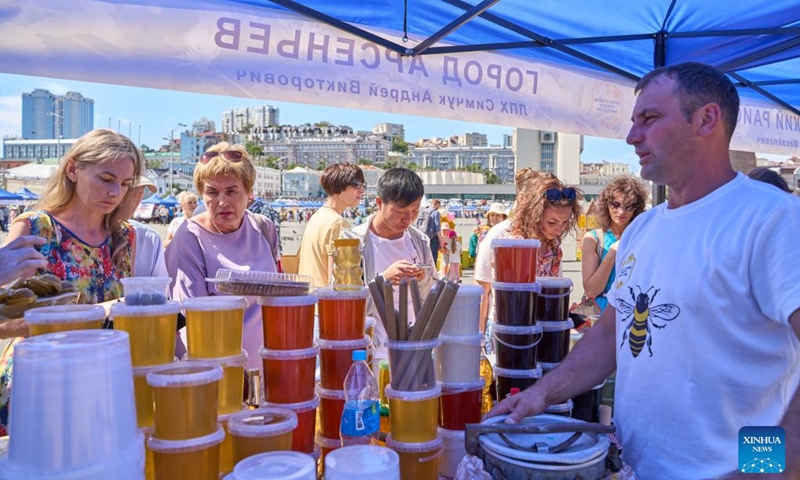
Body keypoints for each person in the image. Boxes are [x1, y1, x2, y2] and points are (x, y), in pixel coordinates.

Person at [489, 62, 800, 479]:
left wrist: (768, 471)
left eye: (649, 119)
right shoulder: (643, 229)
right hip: (635, 467)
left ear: (706, 119)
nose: (632, 136)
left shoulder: (772, 219)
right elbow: (610, 337)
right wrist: (541, 394)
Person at [165, 142, 279, 368]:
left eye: (231, 191)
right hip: (218, 371)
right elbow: (193, 318)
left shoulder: (264, 228)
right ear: (201, 194)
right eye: (212, 192)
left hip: (267, 367)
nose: (222, 202)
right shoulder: (189, 237)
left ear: (249, 193)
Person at [7, 129, 142, 303]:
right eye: (106, 179)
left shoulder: (124, 234)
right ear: (72, 170)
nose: (115, 192)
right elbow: (8, 318)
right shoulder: (35, 228)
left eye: (125, 184)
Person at [474, 170, 582, 340]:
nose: (559, 229)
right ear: (533, 213)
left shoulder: (553, 243)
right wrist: (477, 340)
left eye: (564, 222)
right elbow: (481, 291)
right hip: (505, 330)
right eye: (552, 222)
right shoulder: (501, 234)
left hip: (542, 328)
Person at [348, 168, 437, 347]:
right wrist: (382, 282)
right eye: (400, 211)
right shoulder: (354, 243)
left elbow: (433, 298)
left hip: (415, 347)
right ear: (379, 203)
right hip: (373, 353)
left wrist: (422, 279)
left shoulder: (419, 241)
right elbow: (344, 308)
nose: (408, 218)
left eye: (415, 210)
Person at [581, 176, 648, 311]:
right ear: (606, 204)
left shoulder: (643, 239)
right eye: (615, 205)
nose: (621, 212)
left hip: (632, 313)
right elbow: (591, 292)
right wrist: (612, 254)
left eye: (629, 206)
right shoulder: (594, 239)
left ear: (637, 208)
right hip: (599, 315)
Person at [297, 163, 365, 288]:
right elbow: (337, 279)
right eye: (357, 184)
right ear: (339, 186)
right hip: (326, 303)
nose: (362, 190)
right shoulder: (338, 223)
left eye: (363, 185)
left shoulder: (317, 217)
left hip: (311, 299)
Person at [122, 176, 168, 277]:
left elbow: (159, 288)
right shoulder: (148, 237)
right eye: (125, 186)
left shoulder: (149, 238)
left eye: (141, 190)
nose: (139, 196)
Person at [422, 199, 441, 265]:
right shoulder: (436, 212)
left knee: (424, 257)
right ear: (437, 205)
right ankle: (432, 274)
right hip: (432, 237)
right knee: (433, 257)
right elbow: (437, 227)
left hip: (422, 236)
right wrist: (441, 240)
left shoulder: (423, 211)